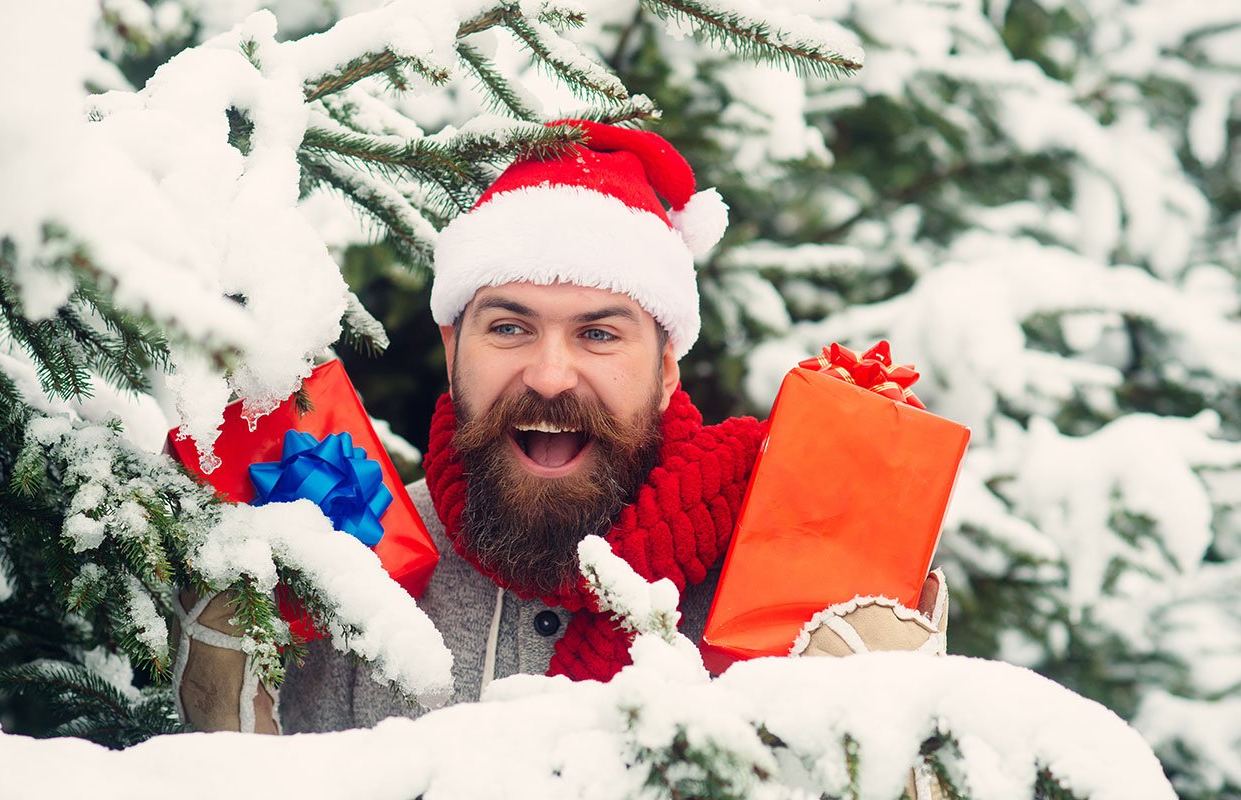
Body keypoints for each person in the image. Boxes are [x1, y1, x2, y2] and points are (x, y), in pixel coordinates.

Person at [177, 120, 947, 736]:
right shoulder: (346, 559)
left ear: (668, 365)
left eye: (599, 334)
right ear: (452, 350)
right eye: (510, 329)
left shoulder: (786, 578)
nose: (549, 374)